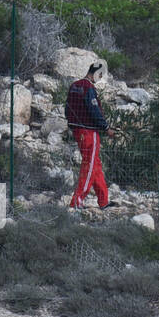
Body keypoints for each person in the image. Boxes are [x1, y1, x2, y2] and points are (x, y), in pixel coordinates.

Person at [65, 61, 110, 210]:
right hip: (89, 131)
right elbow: (94, 110)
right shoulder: (89, 88)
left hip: (77, 131)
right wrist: (106, 127)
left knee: (94, 163)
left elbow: (67, 109)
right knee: (89, 165)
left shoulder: (74, 86)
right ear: (96, 73)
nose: (100, 78)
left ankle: (103, 201)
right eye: (100, 75)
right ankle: (77, 201)